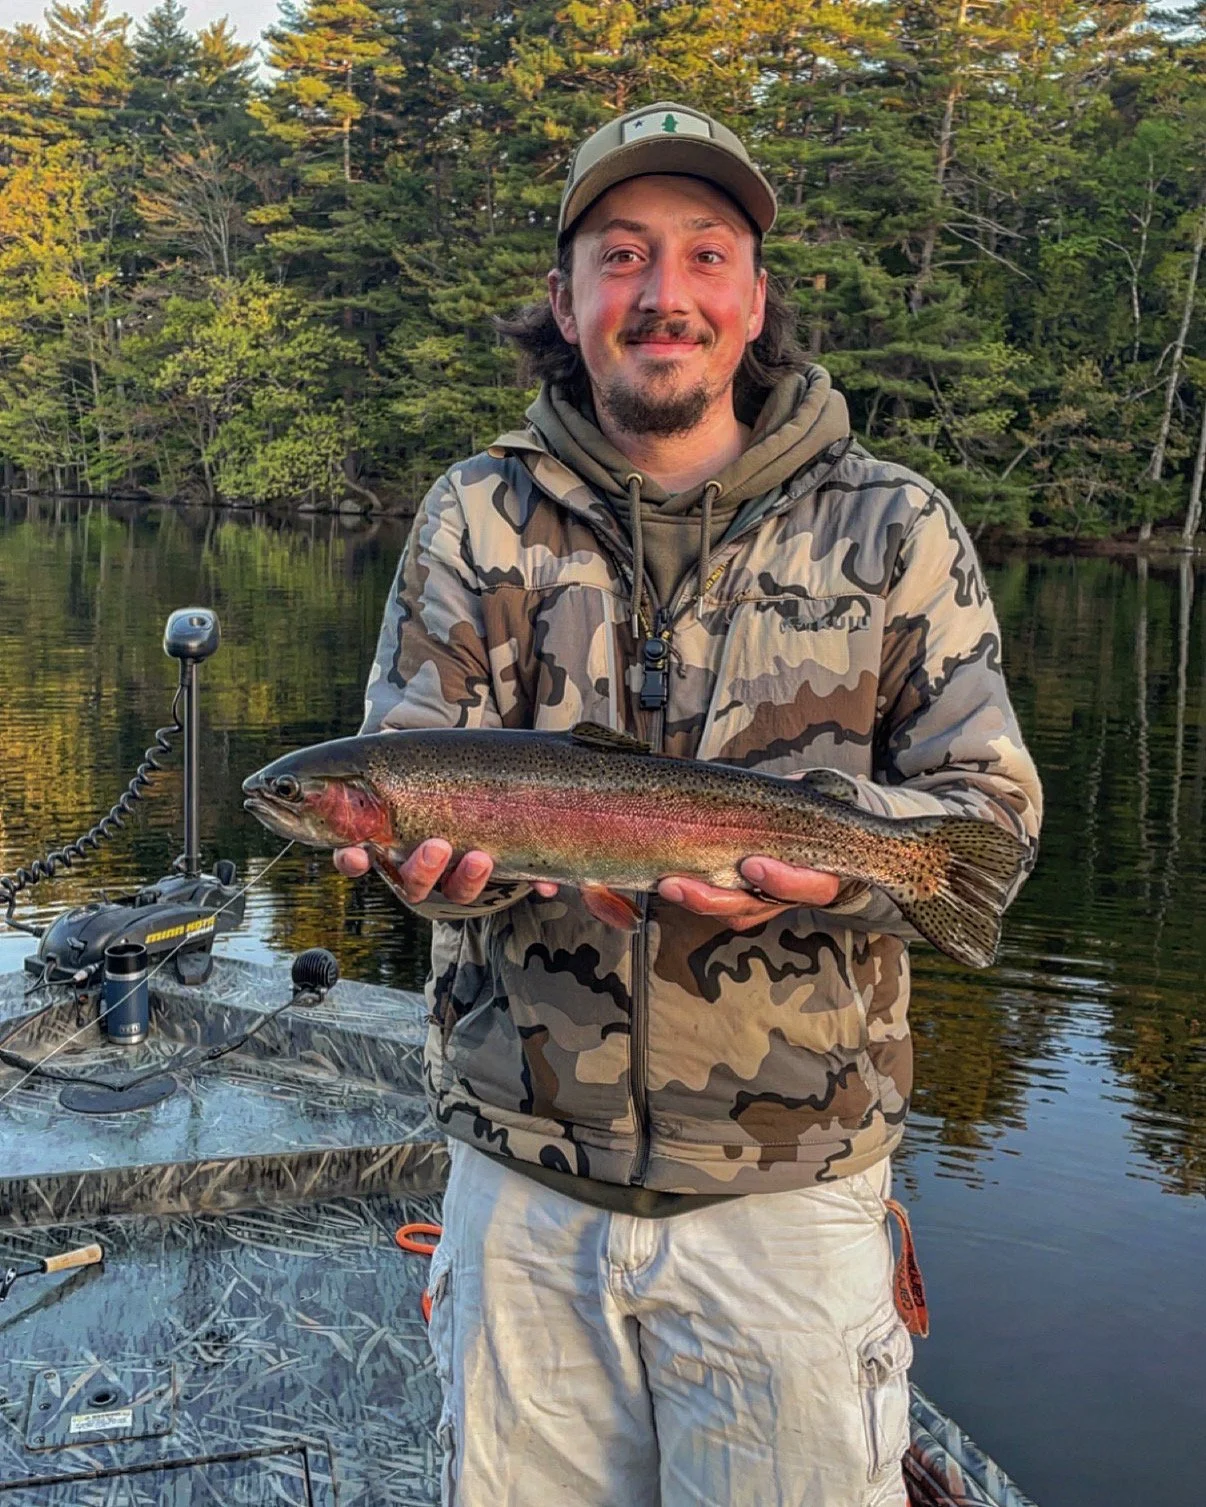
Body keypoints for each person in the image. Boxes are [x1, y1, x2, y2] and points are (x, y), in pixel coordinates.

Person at [336, 101, 1042, 1507]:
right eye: (620, 255)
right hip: (522, 1185)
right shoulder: (472, 515)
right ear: (566, 296)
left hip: (790, 1202)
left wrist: (835, 869)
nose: (663, 293)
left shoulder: (893, 524)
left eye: (704, 254)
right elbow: (407, 774)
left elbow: (990, 819)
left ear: (755, 296)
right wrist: (427, 872)